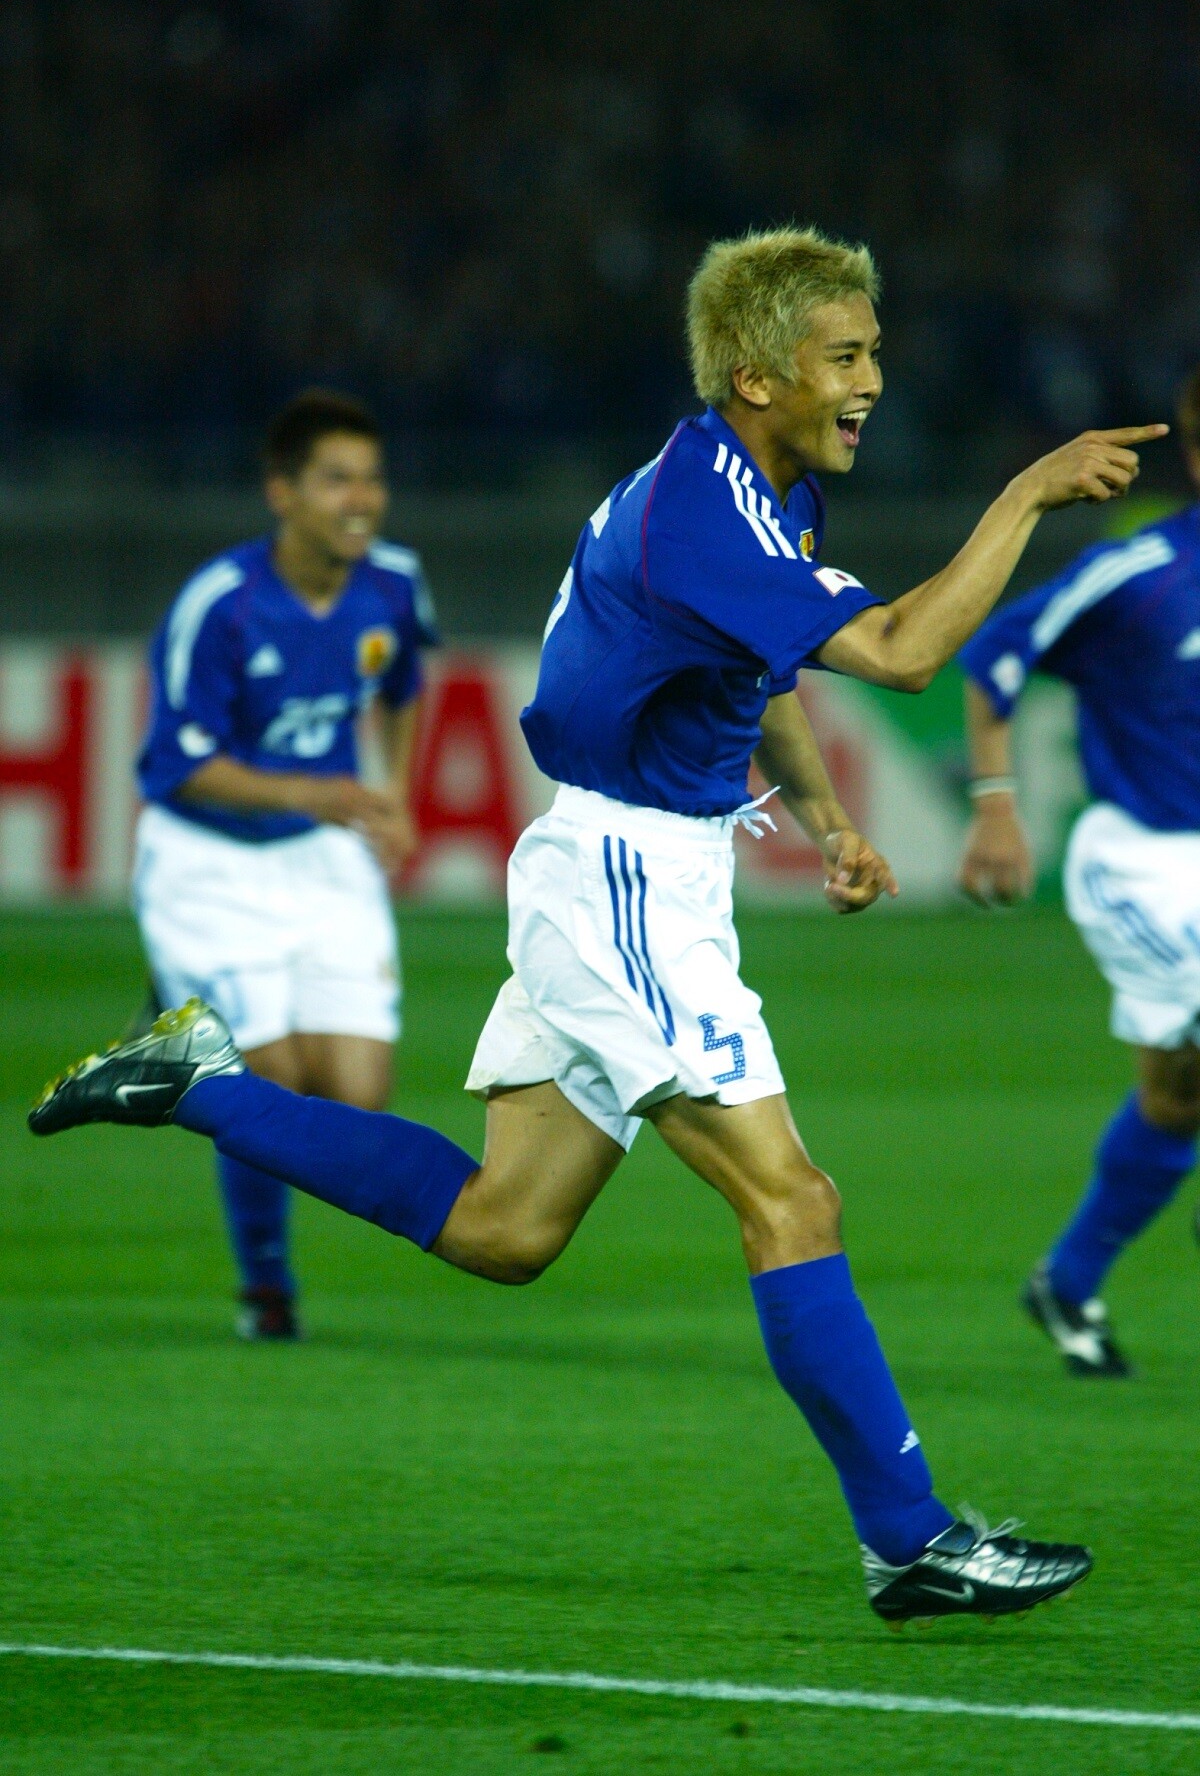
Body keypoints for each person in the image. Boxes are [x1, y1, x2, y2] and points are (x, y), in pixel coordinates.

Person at [31, 228, 1162, 1623]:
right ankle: (912, 1539)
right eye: (847, 356)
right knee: (792, 1201)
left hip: (626, 869)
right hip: (628, 880)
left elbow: (766, 669)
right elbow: (906, 651)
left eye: (875, 350)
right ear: (758, 375)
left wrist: (823, 821)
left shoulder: (747, 492)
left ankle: (198, 1085)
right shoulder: (705, 506)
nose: (875, 378)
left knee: (506, 1229)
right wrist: (1028, 495)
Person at [130, 389, 437, 1339]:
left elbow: (404, 685)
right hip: (208, 862)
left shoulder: (393, 583)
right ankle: (266, 1286)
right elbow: (175, 765)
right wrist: (326, 794)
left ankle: (169, 1015)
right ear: (283, 493)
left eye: (373, 479)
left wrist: (390, 794)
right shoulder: (220, 605)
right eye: (337, 480)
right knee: (269, 1081)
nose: (362, 499)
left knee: (357, 1097)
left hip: (321, 854)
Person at [958, 370, 1200, 1378]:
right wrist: (997, 806)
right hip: (1142, 860)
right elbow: (996, 655)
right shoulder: (1138, 571)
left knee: (1177, 1096)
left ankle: (1068, 1279)